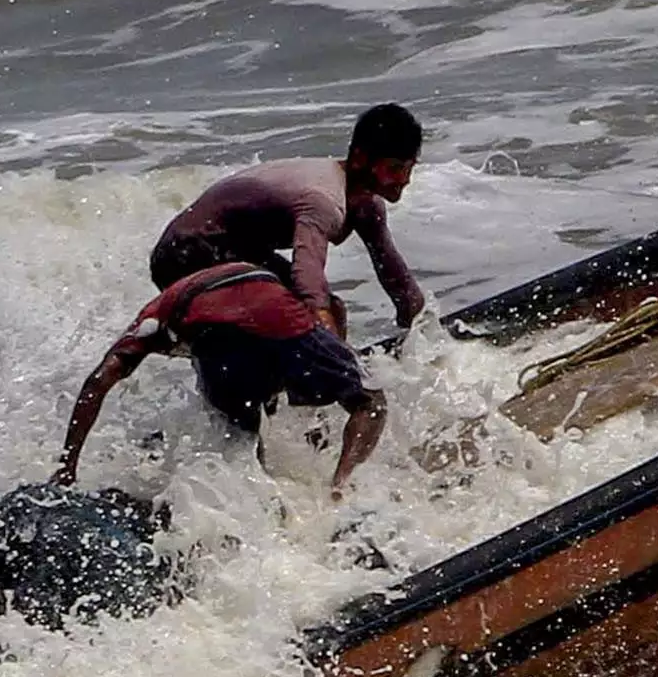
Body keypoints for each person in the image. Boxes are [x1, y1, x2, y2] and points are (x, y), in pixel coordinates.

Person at [61, 200, 391, 493]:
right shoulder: (250, 270)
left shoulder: (161, 308)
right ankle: (341, 488)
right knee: (370, 402)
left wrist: (67, 467)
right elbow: (331, 308)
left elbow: (98, 381)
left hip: (215, 343)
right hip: (277, 315)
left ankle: (263, 506)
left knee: (242, 441)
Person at [151, 100, 429, 343]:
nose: (404, 179)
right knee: (310, 313)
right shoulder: (323, 199)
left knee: (330, 310)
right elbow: (308, 277)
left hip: (235, 251)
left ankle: (315, 389)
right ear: (359, 159)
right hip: (184, 253)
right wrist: (334, 354)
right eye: (395, 168)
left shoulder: (366, 205)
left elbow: (397, 279)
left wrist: (423, 336)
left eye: (409, 168)